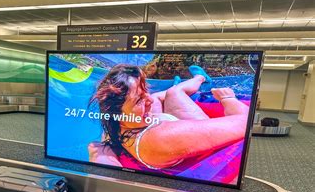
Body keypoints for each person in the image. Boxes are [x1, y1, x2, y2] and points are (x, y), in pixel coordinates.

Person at [88, 64, 249, 170]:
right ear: (118, 113)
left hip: (157, 124)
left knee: (162, 96)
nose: (148, 99)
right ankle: (200, 78)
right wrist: (228, 99)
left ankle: (185, 83)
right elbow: (244, 123)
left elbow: (97, 150)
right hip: (183, 128)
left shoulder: (113, 128)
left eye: (145, 90)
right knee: (176, 93)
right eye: (139, 100)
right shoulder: (161, 138)